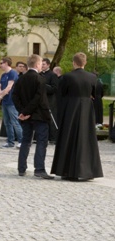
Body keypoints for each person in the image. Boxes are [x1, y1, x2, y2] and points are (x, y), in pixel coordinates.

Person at [51, 52, 103, 181]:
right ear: (85, 63)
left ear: (74, 62)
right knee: (86, 138)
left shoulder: (67, 77)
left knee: (69, 136)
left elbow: (61, 93)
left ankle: (66, 170)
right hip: (86, 108)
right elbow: (95, 94)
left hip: (71, 108)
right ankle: (87, 171)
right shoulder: (92, 77)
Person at [11, 54, 53, 179]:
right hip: (39, 115)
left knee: (25, 141)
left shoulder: (21, 79)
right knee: (41, 142)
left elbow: (15, 96)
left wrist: (22, 112)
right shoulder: (40, 79)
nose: (41, 66)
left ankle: (21, 168)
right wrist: (27, 111)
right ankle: (39, 169)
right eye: (40, 64)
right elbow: (38, 98)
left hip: (26, 116)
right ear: (37, 65)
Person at [0, 57, 22, 148]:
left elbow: (9, 88)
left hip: (11, 102)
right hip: (5, 102)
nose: (0, 65)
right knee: (7, 122)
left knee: (15, 122)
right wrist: (0, 93)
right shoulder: (3, 75)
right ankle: (10, 142)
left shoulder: (12, 73)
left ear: (6, 63)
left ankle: (22, 141)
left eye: (1, 63)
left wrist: (0, 96)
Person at [40, 58, 60, 143]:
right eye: (41, 64)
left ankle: (53, 137)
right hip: (40, 100)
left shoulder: (52, 75)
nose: (42, 66)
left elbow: (55, 88)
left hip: (50, 100)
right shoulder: (39, 74)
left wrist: (44, 86)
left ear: (48, 65)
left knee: (51, 120)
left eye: (43, 64)